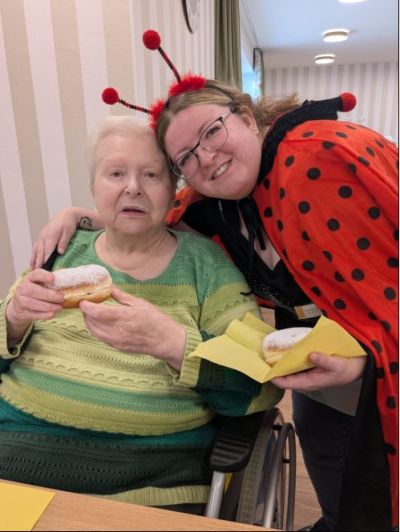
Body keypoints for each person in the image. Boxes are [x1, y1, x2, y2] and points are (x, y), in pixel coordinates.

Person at [30, 83, 398, 530]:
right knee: (340, 483)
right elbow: (148, 212)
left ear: (246, 117)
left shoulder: (321, 158)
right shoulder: (210, 207)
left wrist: (172, 343)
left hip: (382, 353)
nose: (204, 158)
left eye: (211, 131)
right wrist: (76, 216)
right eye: (185, 157)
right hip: (316, 353)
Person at [0, 115, 283, 513]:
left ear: (174, 190)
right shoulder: (59, 251)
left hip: (150, 485)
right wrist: (13, 320)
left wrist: (174, 345)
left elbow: (262, 384)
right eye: (116, 173)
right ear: (93, 188)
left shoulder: (206, 267)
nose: (132, 187)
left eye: (151, 174)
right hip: (14, 468)